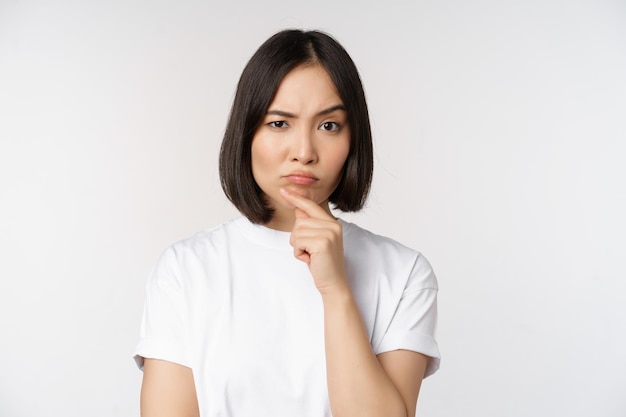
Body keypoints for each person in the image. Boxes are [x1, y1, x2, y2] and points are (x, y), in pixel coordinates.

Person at [134, 29, 440, 417]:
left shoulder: (404, 273)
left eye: (328, 126)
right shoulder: (185, 270)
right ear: (247, 132)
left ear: (353, 139)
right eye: (280, 123)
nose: (304, 152)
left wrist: (335, 290)